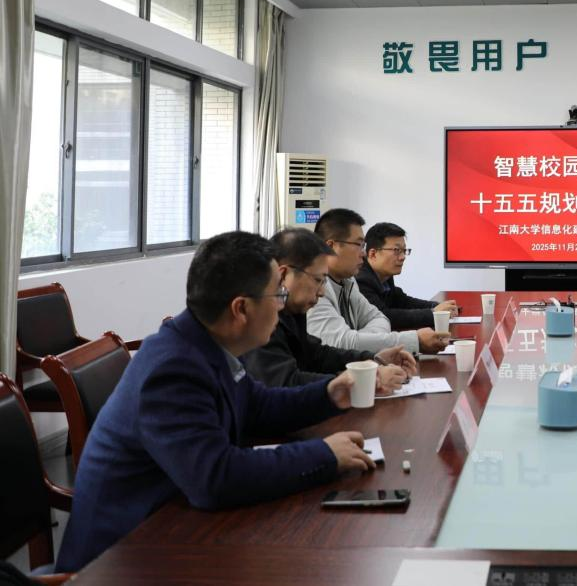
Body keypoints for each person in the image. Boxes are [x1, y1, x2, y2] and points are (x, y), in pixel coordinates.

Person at [56, 231, 376, 573]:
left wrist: (329, 394)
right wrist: (324, 455)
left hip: (174, 529)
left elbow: (258, 406)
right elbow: (215, 478)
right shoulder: (173, 369)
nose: (282, 305)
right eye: (277, 294)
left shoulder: (207, 343)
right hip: (119, 561)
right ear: (241, 308)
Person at [243, 228, 417, 390]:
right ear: (282, 275)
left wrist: (374, 359)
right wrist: (367, 380)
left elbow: (318, 355)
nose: (322, 292)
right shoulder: (261, 318)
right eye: (318, 280)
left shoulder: (292, 312)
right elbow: (286, 383)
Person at [306, 208, 450, 355]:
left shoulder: (348, 282)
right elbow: (343, 343)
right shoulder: (312, 289)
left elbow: (380, 318)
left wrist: (360, 339)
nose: (363, 253)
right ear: (330, 247)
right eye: (358, 245)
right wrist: (415, 341)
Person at [355, 222, 459, 330]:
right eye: (396, 250)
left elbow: (403, 301)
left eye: (404, 250)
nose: (403, 257)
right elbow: (384, 316)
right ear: (373, 254)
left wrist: (436, 306)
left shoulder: (384, 275)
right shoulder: (361, 281)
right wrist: (433, 313)